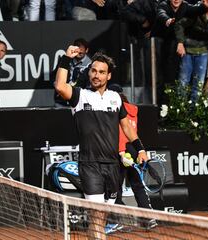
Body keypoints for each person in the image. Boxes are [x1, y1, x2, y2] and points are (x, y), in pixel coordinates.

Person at [54, 45, 148, 239]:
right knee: (96, 215)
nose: (96, 75)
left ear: (108, 76)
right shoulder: (80, 96)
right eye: (94, 71)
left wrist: (140, 148)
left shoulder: (116, 98)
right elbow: (60, 86)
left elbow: (127, 127)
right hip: (90, 165)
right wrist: (65, 59)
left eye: (101, 72)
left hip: (113, 166)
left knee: (101, 217)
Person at [106, 83, 156, 233]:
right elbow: (132, 133)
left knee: (114, 188)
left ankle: (116, 220)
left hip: (121, 152)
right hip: (133, 151)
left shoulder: (114, 108)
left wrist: (121, 152)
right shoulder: (133, 110)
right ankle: (148, 218)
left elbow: (122, 133)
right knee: (138, 185)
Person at [175, 0, 208, 104]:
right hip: (188, 50)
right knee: (183, 82)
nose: (206, 3)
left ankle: (194, 114)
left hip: (203, 51)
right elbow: (179, 25)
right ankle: (180, 114)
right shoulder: (195, 11)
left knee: (198, 84)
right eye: (204, 0)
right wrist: (180, 43)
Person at [54, 38, 91, 107]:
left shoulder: (90, 65)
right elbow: (56, 77)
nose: (78, 54)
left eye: (81, 52)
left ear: (86, 50)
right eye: (77, 51)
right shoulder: (65, 60)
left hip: (79, 101)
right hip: (62, 101)